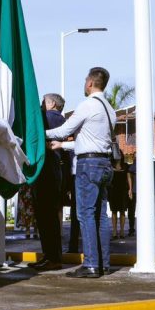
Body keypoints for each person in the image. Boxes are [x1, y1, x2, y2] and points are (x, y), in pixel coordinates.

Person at [46, 67, 116, 278]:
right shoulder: (109, 109)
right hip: (104, 163)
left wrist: (39, 133)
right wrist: (62, 145)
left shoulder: (87, 105)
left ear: (90, 83)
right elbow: (91, 140)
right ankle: (103, 263)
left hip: (89, 165)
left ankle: (91, 264)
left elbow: (64, 130)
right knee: (100, 216)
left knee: (85, 214)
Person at [29, 94, 66, 270]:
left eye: (43, 102)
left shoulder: (49, 117)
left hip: (46, 170)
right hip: (54, 170)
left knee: (46, 217)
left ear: (52, 104)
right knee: (49, 216)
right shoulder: (61, 119)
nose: (41, 105)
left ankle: (52, 257)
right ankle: (51, 256)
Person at [109, 156, 131, 240]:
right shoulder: (110, 165)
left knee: (122, 211)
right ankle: (114, 232)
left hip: (123, 191)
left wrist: (130, 189)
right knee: (114, 211)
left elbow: (128, 177)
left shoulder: (125, 165)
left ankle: (122, 231)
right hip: (113, 190)